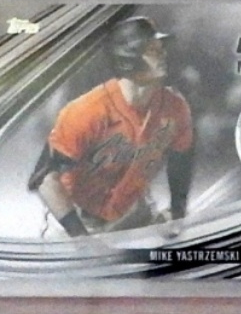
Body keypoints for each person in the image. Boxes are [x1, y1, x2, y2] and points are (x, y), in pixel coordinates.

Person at [28, 16, 194, 236]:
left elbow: (181, 161)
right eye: (153, 50)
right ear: (129, 58)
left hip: (134, 213)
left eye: (161, 48)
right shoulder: (87, 111)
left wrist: (178, 213)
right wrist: (82, 239)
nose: (163, 55)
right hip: (75, 220)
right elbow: (45, 179)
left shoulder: (175, 107)